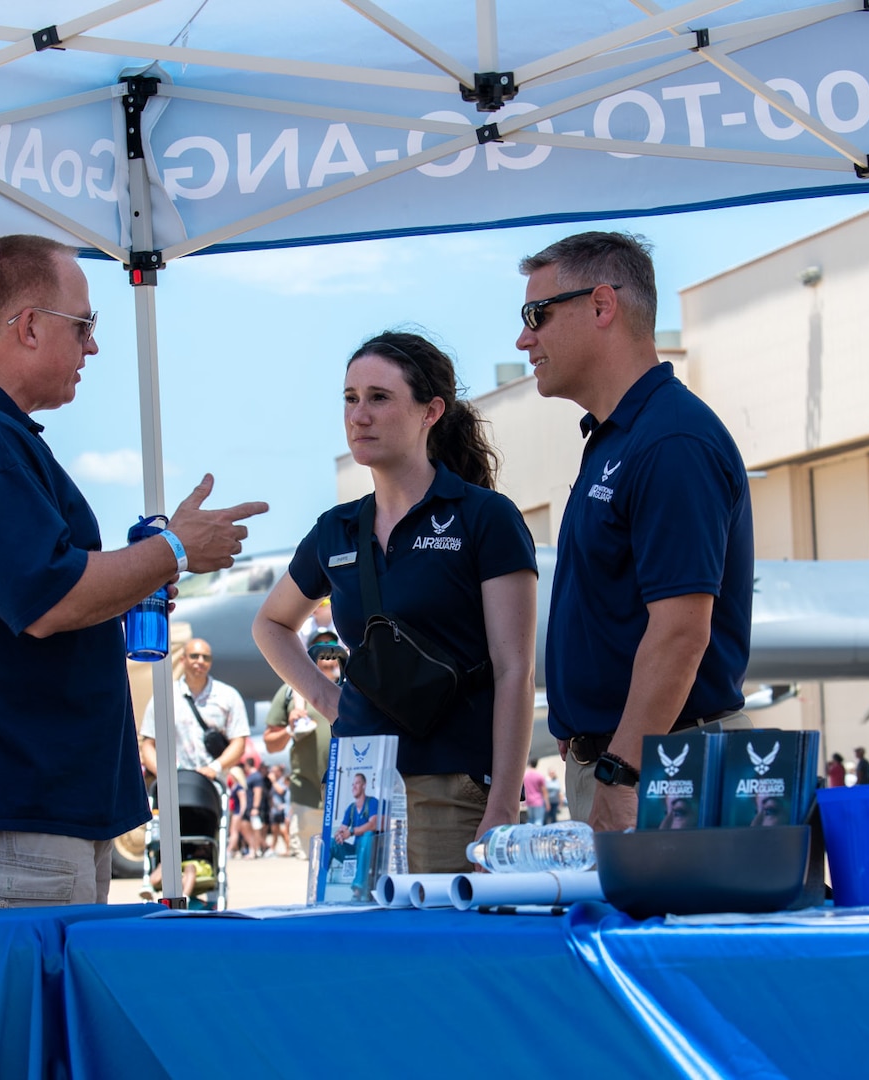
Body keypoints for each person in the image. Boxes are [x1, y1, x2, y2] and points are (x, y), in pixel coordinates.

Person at [0, 233, 266, 907]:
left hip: (25, 794)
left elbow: (34, 586)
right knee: (43, 1009)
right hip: (21, 795)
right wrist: (172, 552)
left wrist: (142, 568)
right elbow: (48, 597)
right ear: (27, 325)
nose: (93, 346)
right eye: (84, 325)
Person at [253, 331, 538, 874]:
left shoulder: (484, 518)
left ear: (431, 411)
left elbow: (515, 670)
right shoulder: (335, 530)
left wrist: (504, 800)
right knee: (362, 952)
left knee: (445, 952)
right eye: (350, 398)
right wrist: (329, 700)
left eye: (379, 398)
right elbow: (271, 623)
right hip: (359, 781)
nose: (359, 415)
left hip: (453, 785)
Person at [515, 231, 754, 833]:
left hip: (658, 770)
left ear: (601, 306)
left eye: (536, 314)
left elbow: (680, 633)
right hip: (630, 762)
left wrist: (621, 770)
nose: (524, 339)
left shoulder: (671, 440)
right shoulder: (618, 437)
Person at [263, 631, 344, 857]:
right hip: (308, 796)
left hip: (347, 795)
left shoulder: (352, 686)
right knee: (310, 864)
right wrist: (290, 729)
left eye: (332, 646)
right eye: (320, 648)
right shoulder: (290, 690)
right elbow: (270, 744)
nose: (327, 654)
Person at [138, 637, 249, 784]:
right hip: (175, 788)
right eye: (194, 656)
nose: (201, 661)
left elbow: (239, 742)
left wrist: (214, 768)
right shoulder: (164, 696)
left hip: (214, 786)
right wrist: (168, 774)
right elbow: (148, 744)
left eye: (206, 657)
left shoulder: (228, 696)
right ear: (183, 660)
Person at [330, 772, 383, 901]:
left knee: (368, 835)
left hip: (369, 853)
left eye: (357, 783)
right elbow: (343, 828)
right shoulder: (351, 808)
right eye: (352, 784)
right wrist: (339, 835)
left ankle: (359, 889)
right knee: (331, 843)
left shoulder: (372, 803)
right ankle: (320, 884)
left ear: (364, 786)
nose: (354, 786)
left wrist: (352, 832)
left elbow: (373, 824)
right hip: (355, 852)